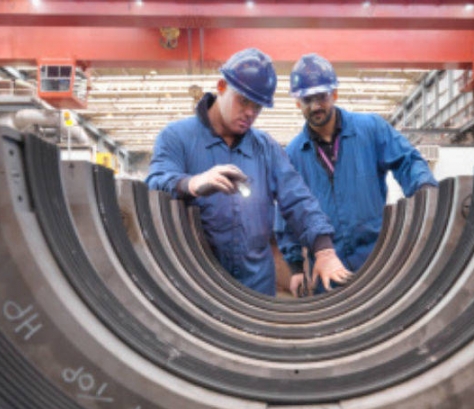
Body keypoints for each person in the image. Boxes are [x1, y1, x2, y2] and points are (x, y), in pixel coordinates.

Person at [145, 48, 352, 296]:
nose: (250, 113)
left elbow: (298, 200)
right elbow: (155, 183)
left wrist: (324, 250)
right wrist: (191, 183)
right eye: (243, 101)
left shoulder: (266, 148)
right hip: (198, 283)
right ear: (222, 87)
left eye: (258, 106)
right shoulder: (176, 137)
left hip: (256, 285)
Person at [276, 53, 438, 296]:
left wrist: (426, 190)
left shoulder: (370, 129)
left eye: (322, 96)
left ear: (334, 94)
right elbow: (287, 212)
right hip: (328, 268)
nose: (316, 106)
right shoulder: (293, 154)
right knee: (333, 319)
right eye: (308, 99)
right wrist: (296, 267)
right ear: (297, 103)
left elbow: (407, 161)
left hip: (375, 259)